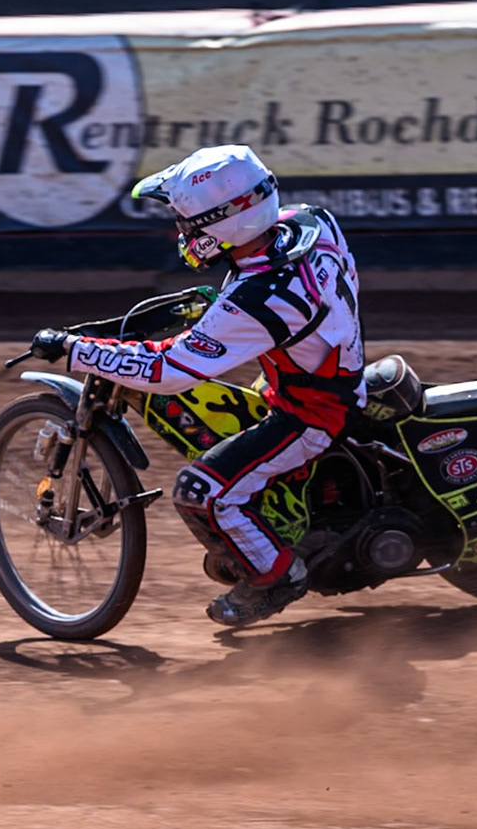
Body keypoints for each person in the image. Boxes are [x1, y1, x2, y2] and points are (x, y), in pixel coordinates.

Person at [29, 145, 365, 626]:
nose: (182, 231)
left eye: (187, 222)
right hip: (322, 373)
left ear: (222, 224)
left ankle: (276, 577)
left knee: (201, 492)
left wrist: (74, 348)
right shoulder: (311, 222)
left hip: (314, 413)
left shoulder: (262, 299)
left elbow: (168, 371)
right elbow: (249, 295)